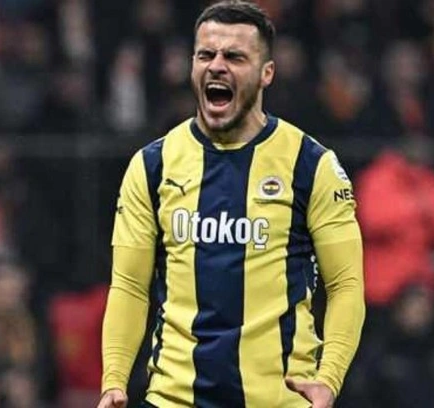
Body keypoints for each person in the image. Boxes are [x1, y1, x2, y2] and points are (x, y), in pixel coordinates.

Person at [97, 1, 365, 408]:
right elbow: (129, 285)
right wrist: (114, 380)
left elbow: (346, 284)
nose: (217, 66)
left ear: (266, 73)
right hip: (174, 400)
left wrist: (329, 378)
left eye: (235, 57)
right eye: (206, 55)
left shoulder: (311, 166)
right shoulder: (152, 165)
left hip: (278, 401)